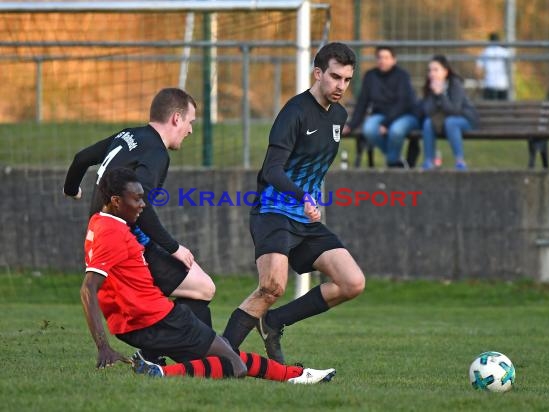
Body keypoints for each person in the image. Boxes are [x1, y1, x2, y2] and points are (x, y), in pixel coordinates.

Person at [80, 167, 336, 384]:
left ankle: (297, 375)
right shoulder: (112, 231)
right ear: (115, 201)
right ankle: (161, 372)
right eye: (136, 199)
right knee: (234, 365)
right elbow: (88, 288)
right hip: (158, 319)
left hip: (139, 321)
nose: (142, 205)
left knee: (218, 356)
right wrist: (102, 346)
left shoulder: (98, 223)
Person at [222, 42, 366, 364]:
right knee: (272, 286)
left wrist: (310, 201)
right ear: (318, 73)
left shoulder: (339, 116)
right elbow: (271, 170)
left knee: (352, 282)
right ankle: (222, 352)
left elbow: (313, 168)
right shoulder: (294, 112)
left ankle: (273, 322)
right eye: (334, 77)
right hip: (273, 211)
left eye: (346, 79)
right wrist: (303, 197)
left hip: (305, 219)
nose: (340, 86)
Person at [63, 88, 215, 350]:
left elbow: (81, 158)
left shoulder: (129, 135)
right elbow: (140, 207)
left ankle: (159, 354)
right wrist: (174, 247)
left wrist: (71, 189)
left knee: (157, 296)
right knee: (203, 288)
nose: (190, 130)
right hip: (126, 241)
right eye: (190, 122)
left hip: (101, 233)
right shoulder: (156, 152)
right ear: (176, 119)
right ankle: (202, 355)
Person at [342, 45, 419, 168]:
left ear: (394, 60)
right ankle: (395, 160)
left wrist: (386, 124)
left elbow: (403, 103)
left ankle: (393, 163)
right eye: (379, 57)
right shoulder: (370, 76)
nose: (382, 60)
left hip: (405, 115)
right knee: (369, 129)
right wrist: (351, 125)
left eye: (386, 57)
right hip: (381, 115)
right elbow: (362, 102)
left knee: (396, 130)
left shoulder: (402, 76)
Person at [420, 55, 479, 171]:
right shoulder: (430, 86)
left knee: (451, 122)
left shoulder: (455, 84)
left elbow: (455, 110)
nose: (432, 73)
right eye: (430, 70)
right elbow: (427, 112)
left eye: (435, 70)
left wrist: (441, 94)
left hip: (464, 119)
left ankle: (460, 161)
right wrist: (434, 94)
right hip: (442, 121)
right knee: (427, 123)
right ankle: (428, 161)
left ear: (445, 72)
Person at [476, 32, 511, 100]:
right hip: (502, 84)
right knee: (504, 108)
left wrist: (479, 83)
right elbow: (510, 66)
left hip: (489, 84)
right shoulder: (504, 52)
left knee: (490, 109)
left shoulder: (485, 52)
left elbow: (478, 69)